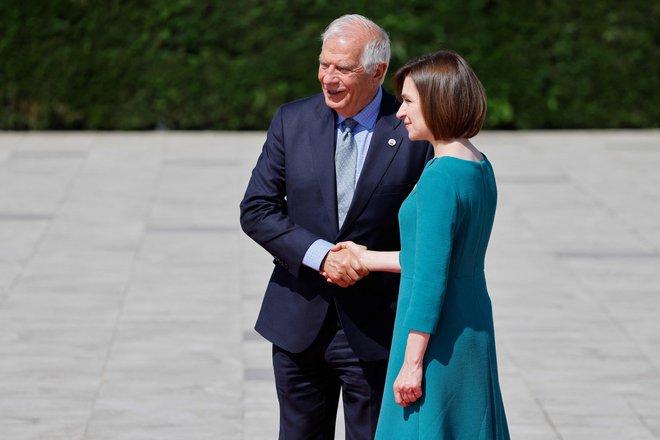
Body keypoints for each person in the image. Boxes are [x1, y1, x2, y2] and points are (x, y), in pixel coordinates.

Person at [239, 14, 433, 440]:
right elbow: (257, 209)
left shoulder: (412, 129)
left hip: (377, 327)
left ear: (377, 71)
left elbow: (430, 228)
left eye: (342, 68)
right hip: (297, 323)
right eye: (324, 64)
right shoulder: (292, 120)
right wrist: (322, 254)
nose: (328, 77)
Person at [329, 51, 510, 439]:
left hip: (436, 336)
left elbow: (429, 279)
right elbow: (434, 256)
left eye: (409, 101)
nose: (400, 112)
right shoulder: (478, 165)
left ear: (438, 102)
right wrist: (365, 257)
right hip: (471, 323)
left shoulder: (439, 178)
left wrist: (412, 364)